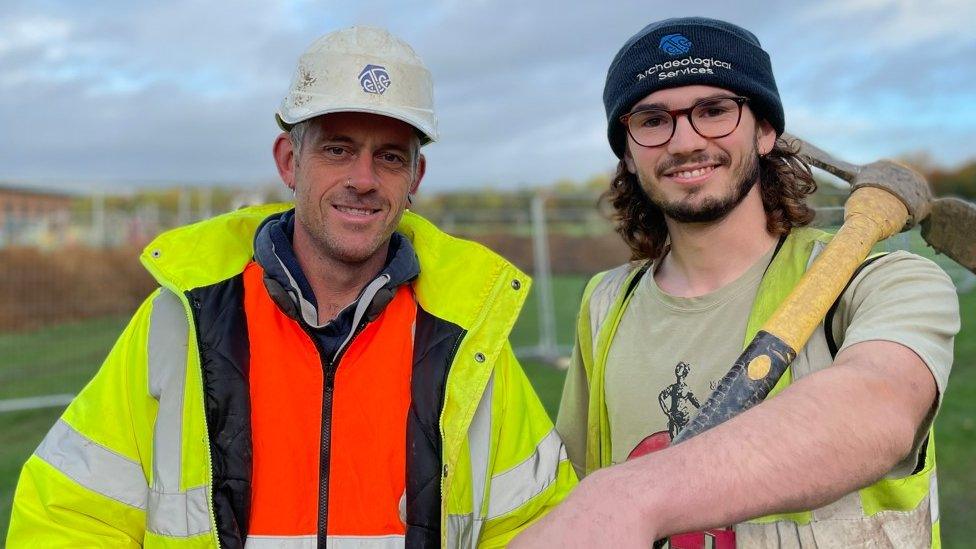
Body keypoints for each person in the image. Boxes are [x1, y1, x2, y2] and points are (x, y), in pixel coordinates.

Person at [8, 26, 575, 548]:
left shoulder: (469, 341)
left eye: (390, 157)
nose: (363, 179)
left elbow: (540, 527)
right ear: (288, 161)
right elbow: (68, 517)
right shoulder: (178, 323)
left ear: (415, 180)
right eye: (337, 148)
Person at [512, 17, 959, 548]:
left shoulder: (883, 283)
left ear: (766, 131)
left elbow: (877, 406)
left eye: (714, 111)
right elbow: (577, 479)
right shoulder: (606, 301)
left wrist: (635, 495)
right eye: (653, 120)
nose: (684, 141)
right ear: (628, 154)